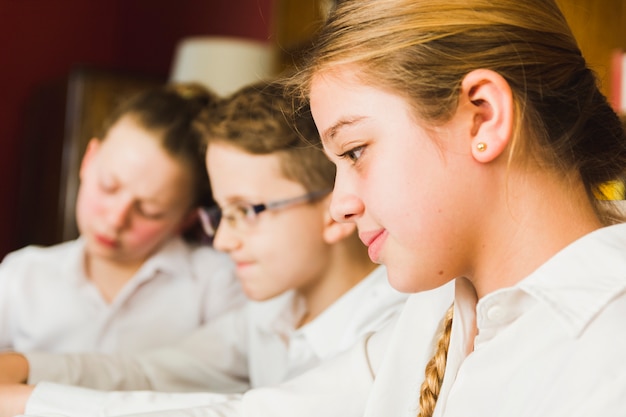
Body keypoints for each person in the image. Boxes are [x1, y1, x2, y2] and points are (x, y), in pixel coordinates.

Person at [0, 80, 410, 416]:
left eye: (245, 211)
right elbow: (148, 373)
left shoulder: (395, 324)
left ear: (332, 209)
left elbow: (241, 413)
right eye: (222, 213)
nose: (222, 240)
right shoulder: (271, 310)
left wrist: (28, 403)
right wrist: (23, 366)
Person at [0, 83, 245, 355]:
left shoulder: (218, 284)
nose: (116, 220)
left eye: (150, 210)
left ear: (187, 218)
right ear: (88, 159)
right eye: (108, 186)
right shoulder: (22, 277)